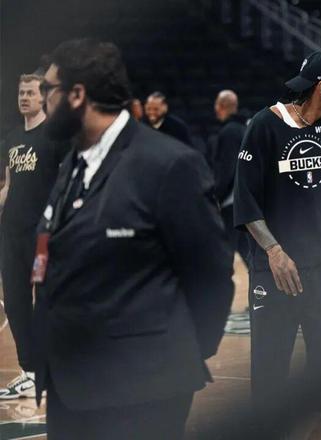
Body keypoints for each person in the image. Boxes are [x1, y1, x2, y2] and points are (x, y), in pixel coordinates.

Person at [33, 38, 234, 439]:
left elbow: (211, 275)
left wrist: (174, 355)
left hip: (142, 390)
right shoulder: (72, 162)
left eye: (47, 89)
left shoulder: (167, 164)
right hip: (71, 384)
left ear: (77, 94)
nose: (41, 100)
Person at [233, 50, 321, 437]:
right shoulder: (264, 126)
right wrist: (274, 252)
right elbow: (246, 203)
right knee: (270, 374)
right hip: (276, 271)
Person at [0, 73, 69, 400]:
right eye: (21, 93)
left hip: (41, 238)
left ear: (43, 97)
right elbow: (9, 187)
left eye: (30, 92)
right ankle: (29, 372)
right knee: (15, 303)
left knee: (45, 300)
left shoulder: (55, 136)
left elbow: (66, 185)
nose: (24, 98)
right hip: (10, 236)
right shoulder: (12, 138)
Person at [208, 89, 248, 263]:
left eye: (216, 105)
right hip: (246, 199)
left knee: (224, 249)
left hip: (231, 201)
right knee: (246, 248)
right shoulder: (244, 128)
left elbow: (228, 168)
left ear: (222, 106)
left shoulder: (229, 132)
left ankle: (220, 281)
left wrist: (216, 196)